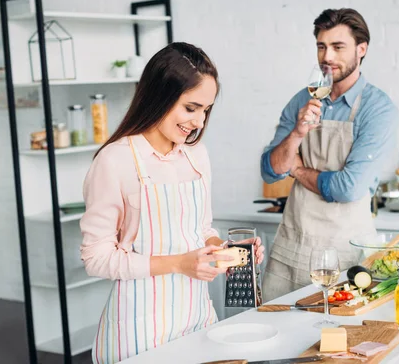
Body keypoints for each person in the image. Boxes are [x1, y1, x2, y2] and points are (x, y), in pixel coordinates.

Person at [80, 42, 265, 363]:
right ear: (160, 96)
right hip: (140, 325)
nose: (199, 122)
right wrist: (179, 264)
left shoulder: (196, 155)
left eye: (206, 110)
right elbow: (96, 258)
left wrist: (225, 251)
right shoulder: (115, 160)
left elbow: (201, 229)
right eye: (190, 108)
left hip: (197, 315)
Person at [260, 8, 399, 301]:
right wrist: (297, 133)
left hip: (344, 254)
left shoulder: (378, 109)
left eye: (338, 47)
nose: (327, 57)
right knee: (279, 333)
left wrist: (297, 170)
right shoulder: (302, 99)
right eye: (322, 47)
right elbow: (270, 170)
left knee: (335, 338)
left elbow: (348, 188)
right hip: (292, 247)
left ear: (361, 50)